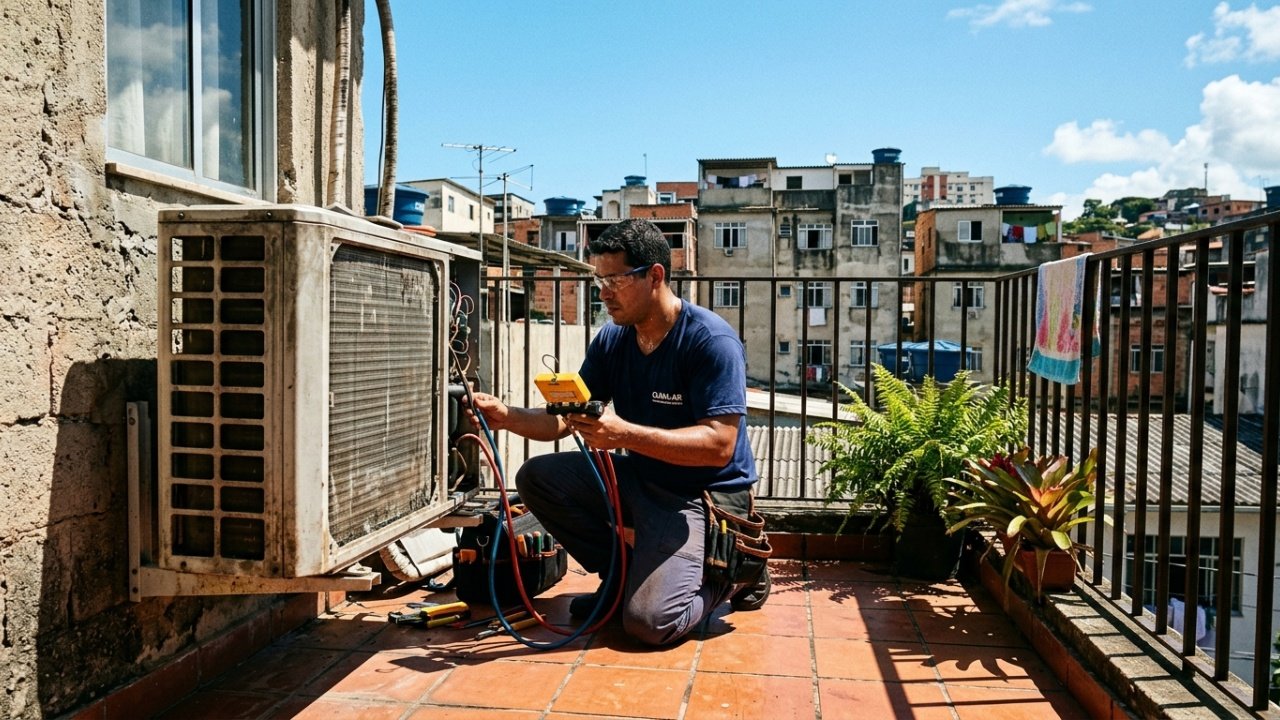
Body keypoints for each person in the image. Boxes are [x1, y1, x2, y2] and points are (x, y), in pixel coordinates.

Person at [466, 218, 769, 646]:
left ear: (655, 276)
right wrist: (507, 415)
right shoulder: (613, 340)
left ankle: (735, 575)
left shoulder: (710, 341)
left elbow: (720, 446)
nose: (604, 291)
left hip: (703, 495)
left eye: (615, 279)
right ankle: (623, 578)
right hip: (643, 479)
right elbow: (562, 420)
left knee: (650, 623)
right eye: (599, 279)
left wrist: (624, 435)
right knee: (538, 478)